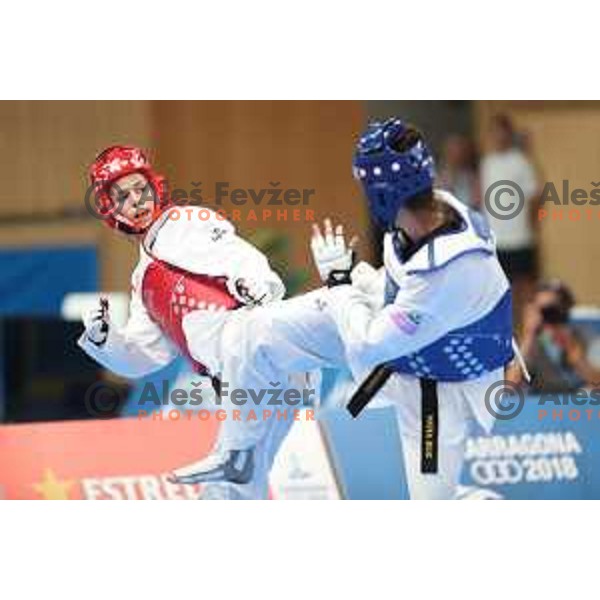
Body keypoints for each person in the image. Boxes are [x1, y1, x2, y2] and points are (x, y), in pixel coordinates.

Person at [180, 118, 516, 500]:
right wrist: (357, 277)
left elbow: (369, 345)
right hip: (392, 317)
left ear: (384, 193)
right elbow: (394, 285)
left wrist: (340, 282)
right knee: (253, 333)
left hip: (441, 378)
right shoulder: (434, 208)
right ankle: (236, 455)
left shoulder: (450, 269)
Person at [78, 145, 311, 500]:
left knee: (231, 488)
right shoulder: (143, 281)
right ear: (112, 210)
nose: (137, 200)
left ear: (156, 187)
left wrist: (258, 288)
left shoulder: (188, 221)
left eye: (141, 189)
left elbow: (241, 257)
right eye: (124, 196)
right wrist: (103, 340)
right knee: (237, 487)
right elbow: (143, 358)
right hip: (245, 381)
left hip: (261, 353)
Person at [479, 114, 540, 328]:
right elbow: (482, 199)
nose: (498, 136)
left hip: (520, 239)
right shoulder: (486, 163)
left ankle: (529, 335)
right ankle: (511, 336)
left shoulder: (521, 161)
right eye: (493, 131)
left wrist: (530, 227)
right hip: (497, 241)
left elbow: (534, 197)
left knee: (526, 293)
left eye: (501, 131)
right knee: (502, 293)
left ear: (508, 133)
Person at [508, 280, 600, 392]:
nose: (548, 315)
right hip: (542, 407)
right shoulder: (531, 345)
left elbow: (596, 380)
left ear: (566, 309)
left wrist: (571, 348)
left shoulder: (584, 335)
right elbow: (507, 388)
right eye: (541, 310)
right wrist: (528, 336)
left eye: (552, 309)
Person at [437, 134, 481, 209]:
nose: (457, 156)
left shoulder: (474, 178)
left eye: (460, 152)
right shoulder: (439, 181)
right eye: (452, 152)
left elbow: (477, 202)